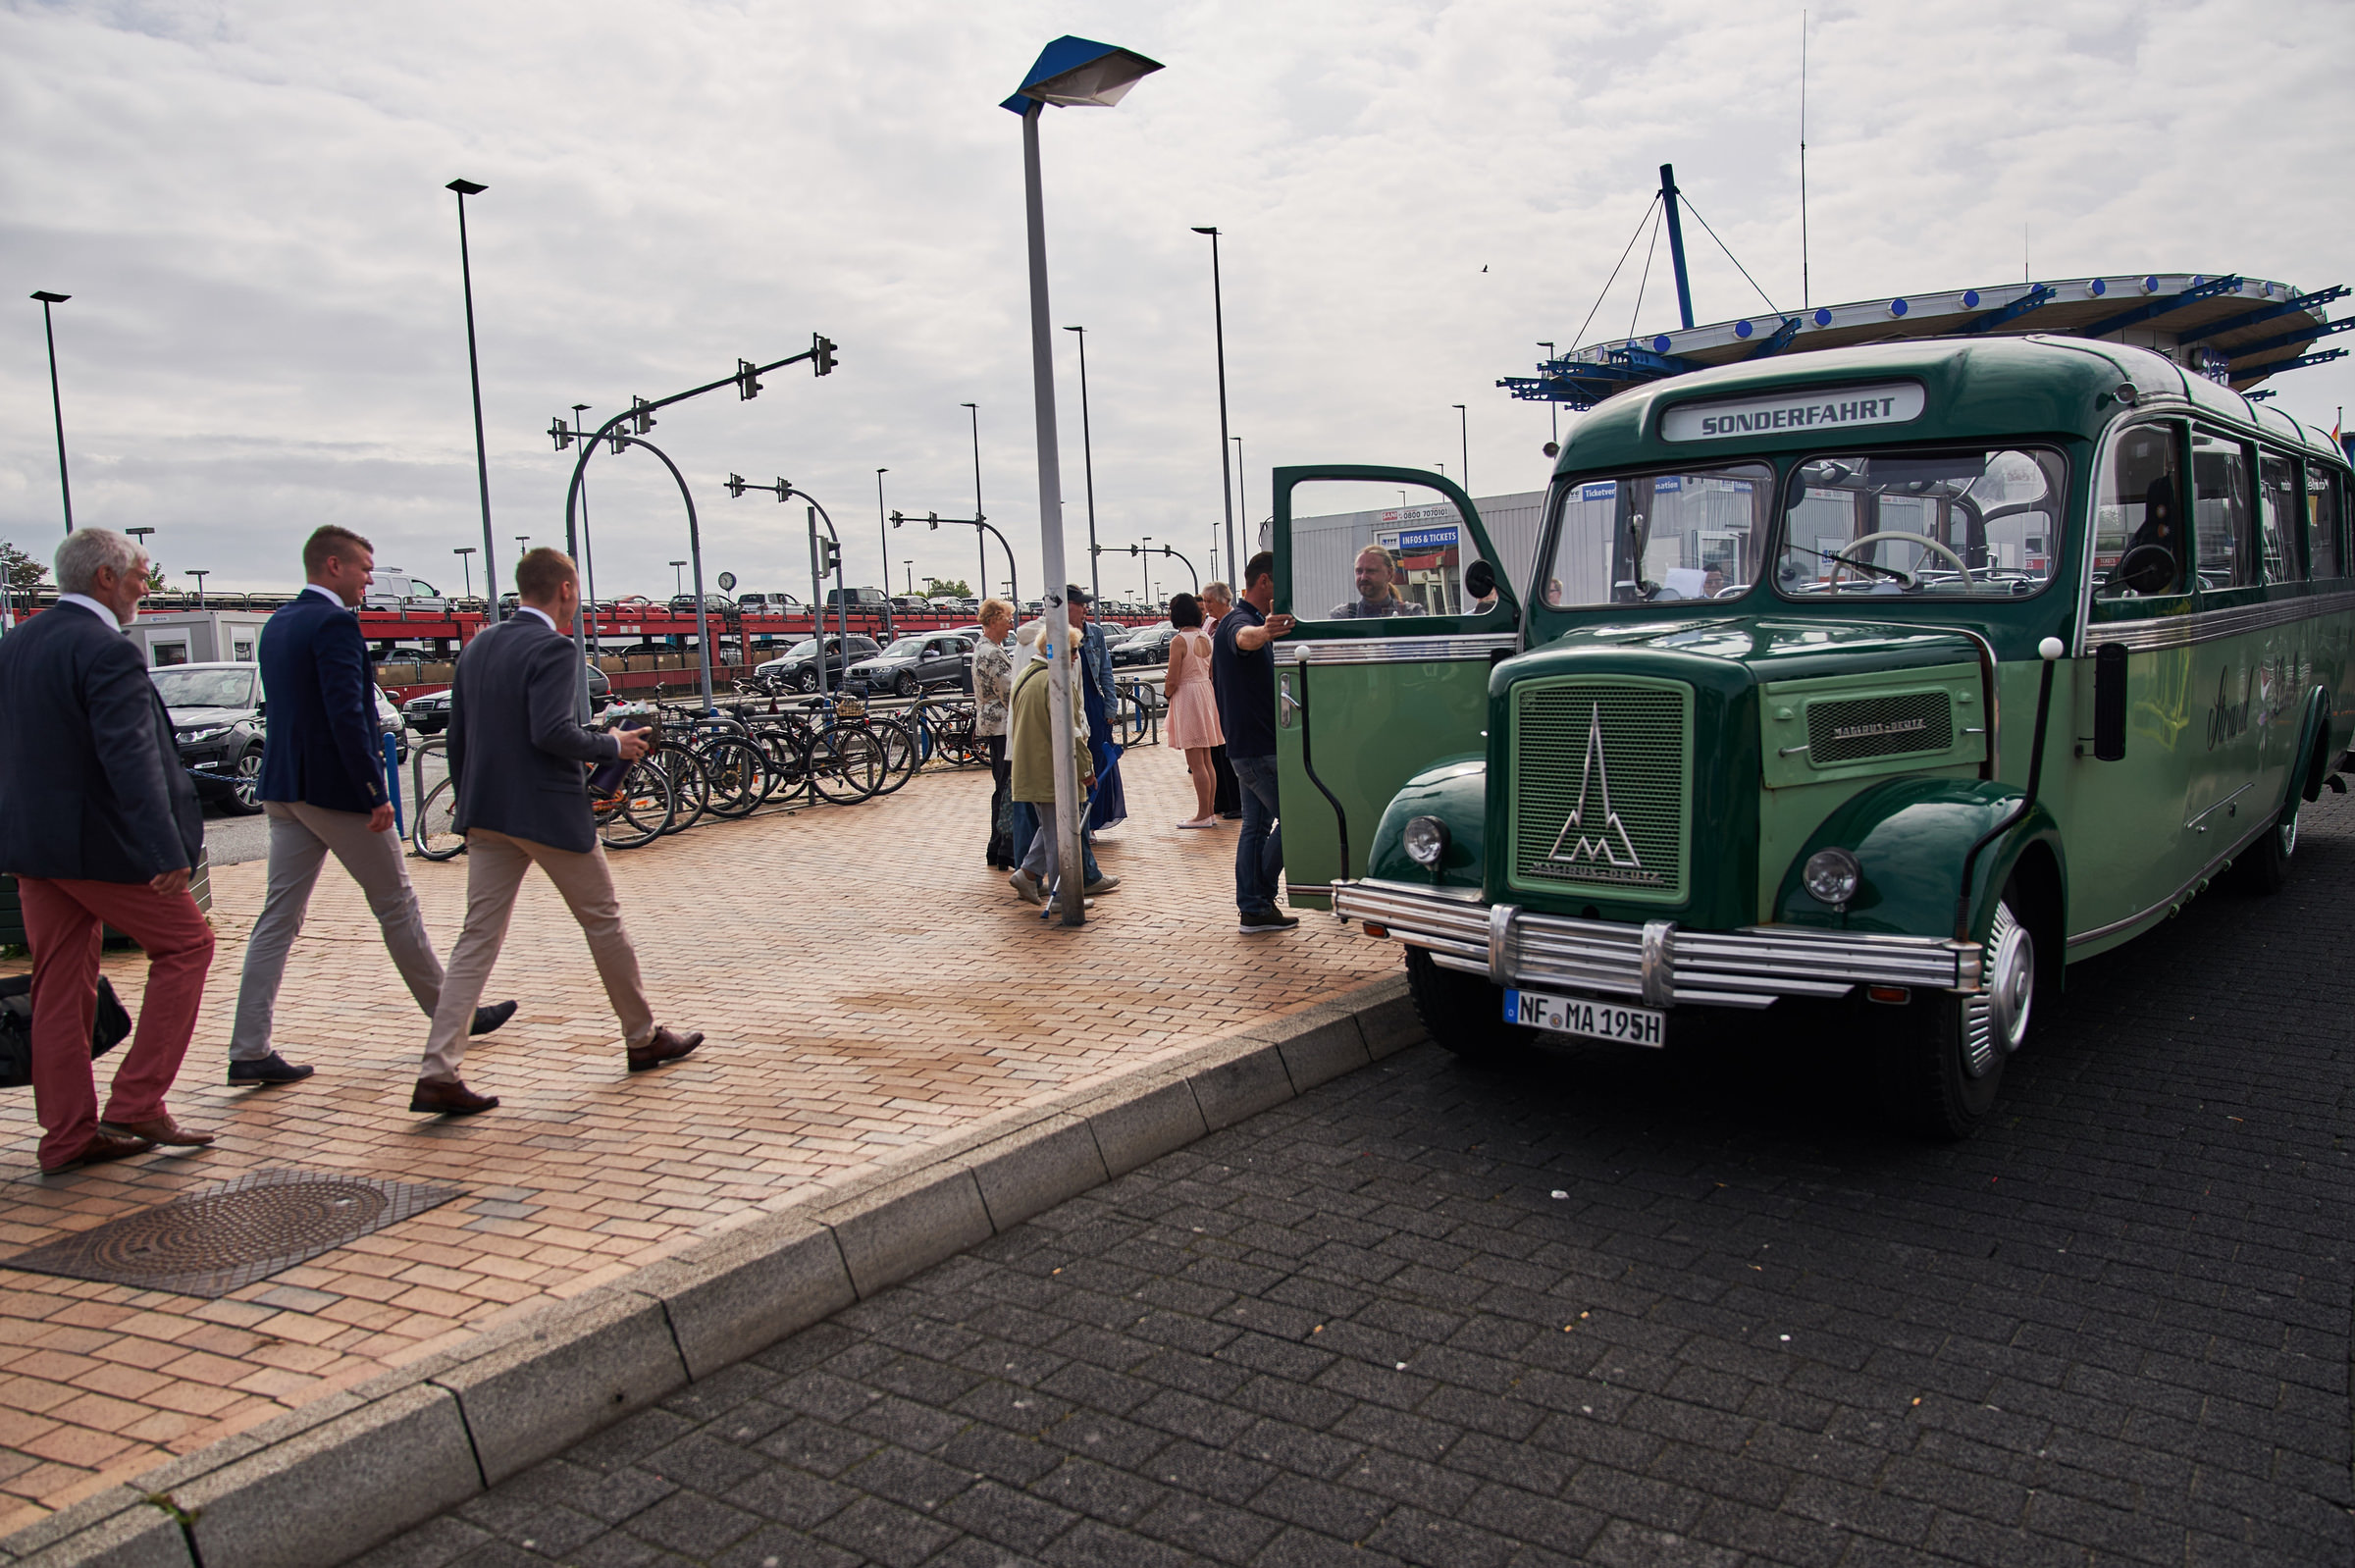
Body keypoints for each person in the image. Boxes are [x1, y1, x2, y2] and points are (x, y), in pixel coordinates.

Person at [411, 549, 703, 1114]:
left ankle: (438, 1069)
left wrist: (468, 804)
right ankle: (642, 1038)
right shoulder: (553, 647)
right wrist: (611, 745)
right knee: (603, 921)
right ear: (566, 588)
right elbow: (551, 733)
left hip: (489, 813)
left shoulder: (479, 648)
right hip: (546, 812)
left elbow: (458, 739)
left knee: (477, 939)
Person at [228, 525, 515, 1088]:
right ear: (332, 565)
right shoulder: (334, 623)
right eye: (363, 567)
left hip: (284, 787)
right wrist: (374, 791)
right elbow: (347, 714)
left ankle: (248, 1045)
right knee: (397, 904)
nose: (368, 580)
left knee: (278, 919)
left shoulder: (279, 624)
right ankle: (453, 1015)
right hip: (336, 793)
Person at [0, 528, 216, 1172]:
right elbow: (132, 759)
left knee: (59, 986)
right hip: (101, 847)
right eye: (142, 574)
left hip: (33, 848)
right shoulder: (106, 650)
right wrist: (163, 850)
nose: (146, 587)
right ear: (105, 578)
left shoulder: (18, 643)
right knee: (188, 946)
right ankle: (138, 1097)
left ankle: (67, 1136)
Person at [1211, 551, 1299, 934]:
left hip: (1247, 747)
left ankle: (1254, 907)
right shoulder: (1241, 621)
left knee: (1256, 827)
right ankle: (1258, 900)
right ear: (1265, 582)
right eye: (1281, 583)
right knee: (1298, 820)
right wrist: (1265, 633)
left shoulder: (1241, 619)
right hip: (1258, 749)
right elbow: (1243, 639)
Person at [1006, 634, 1095, 911]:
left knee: (1052, 828)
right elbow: (1073, 733)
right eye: (1072, 651)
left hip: (1030, 766)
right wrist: (1086, 769)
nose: (1076, 656)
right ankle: (1062, 895)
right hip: (1052, 770)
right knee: (1061, 833)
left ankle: (1028, 874)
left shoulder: (1026, 676)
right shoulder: (1056, 682)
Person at [1163, 593, 1225, 828]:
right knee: (1207, 758)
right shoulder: (1205, 637)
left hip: (1188, 696)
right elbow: (1209, 671)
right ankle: (1208, 811)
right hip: (1205, 692)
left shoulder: (1179, 641)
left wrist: (1167, 693)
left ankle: (1202, 814)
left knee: (1195, 760)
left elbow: (1173, 678)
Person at [970, 598, 1018, 868]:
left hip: (993, 724)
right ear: (992, 621)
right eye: (1006, 619)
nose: (1010, 625)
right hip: (1001, 726)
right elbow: (1009, 690)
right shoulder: (991, 652)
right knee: (1006, 785)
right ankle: (1002, 846)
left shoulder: (986, 648)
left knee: (1002, 784)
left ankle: (998, 846)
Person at [1199, 581, 1242, 819]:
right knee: (1216, 748)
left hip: (1227, 692)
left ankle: (1236, 801)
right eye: (1204, 602)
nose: (1206, 607)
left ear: (1224, 601)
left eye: (1210, 601)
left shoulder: (1235, 622)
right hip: (1211, 691)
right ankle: (1222, 800)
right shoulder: (1208, 624)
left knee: (1227, 746)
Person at [1330, 545, 1428, 618]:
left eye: (1371, 571)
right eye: (1359, 571)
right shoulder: (1342, 616)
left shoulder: (1411, 614)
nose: (1363, 577)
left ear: (1389, 573)